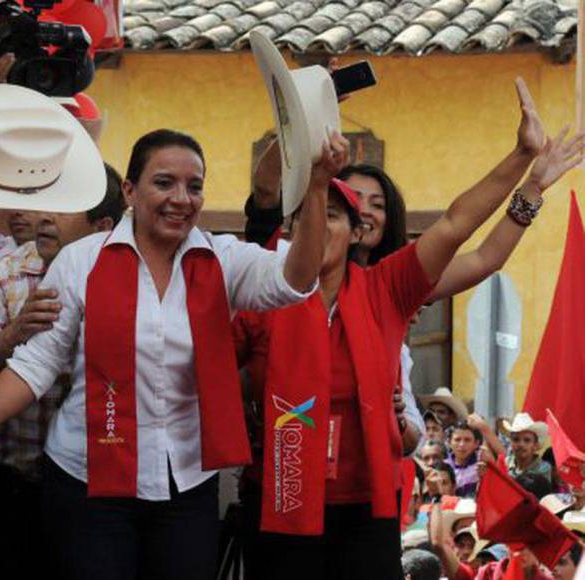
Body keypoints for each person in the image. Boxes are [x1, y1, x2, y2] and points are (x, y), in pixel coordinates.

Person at [0, 127, 338, 580]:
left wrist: (318, 187)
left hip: (184, 483)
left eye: (194, 186)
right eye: (164, 182)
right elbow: (37, 364)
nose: (181, 198)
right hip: (88, 479)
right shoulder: (82, 262)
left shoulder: (221, 260)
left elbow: (297, 279)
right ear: (130, 191)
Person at [233, 78, 581, 580]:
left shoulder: (387, 290)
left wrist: (522, 159)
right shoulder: (265, 284)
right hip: (278, 500)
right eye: (310, 208)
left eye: (332, 214)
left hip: (363, 506)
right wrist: (300, 119)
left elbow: (460, 226)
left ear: (358, 233)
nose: (318, 222)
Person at [0, 164, 125, 578]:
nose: (46, 216)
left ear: (101, 226)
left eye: (66, 207)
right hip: (11, 482)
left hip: (96, 482)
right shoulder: (1, 276)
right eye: (45, 202)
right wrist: (13, 334)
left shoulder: (129, 281)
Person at [502, 413, 556, 489]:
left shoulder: (544, 468)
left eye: (527, 440)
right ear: (511, 443)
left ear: (535, 445)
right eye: (516, 439)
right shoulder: (505, 463)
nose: (521, 445)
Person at [447, 420, 483, 497]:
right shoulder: (444, 465)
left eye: (467, 440)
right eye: (457, 440)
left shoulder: (481, 466)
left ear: (476, 444)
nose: (462, 444)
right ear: (449, 442)